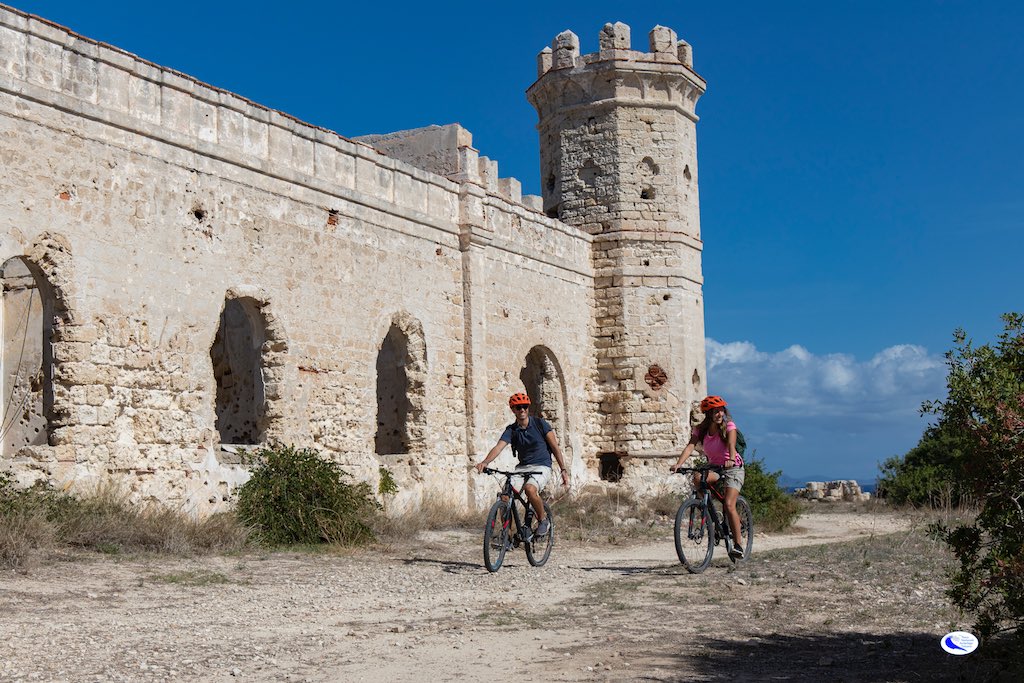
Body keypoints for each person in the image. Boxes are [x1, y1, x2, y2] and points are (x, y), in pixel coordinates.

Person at [475, 392, 570, 537]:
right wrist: (485, 462)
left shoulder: (540, 424)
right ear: (513, 410)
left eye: (525, 406)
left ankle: (543, 520)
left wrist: (563, 469)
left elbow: (555, 447)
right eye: (518, 407)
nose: (522, 410)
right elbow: (498, 447)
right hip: (522, 468)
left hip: (542, 466)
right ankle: (507, 536)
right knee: (505, 496)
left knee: (530, 489)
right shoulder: (512, 430)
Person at [671, 395, 746, 559]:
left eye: (721, 410)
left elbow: (731, 445)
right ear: (708, 414)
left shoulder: (729, 426)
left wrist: (731, 459)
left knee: (729, 504)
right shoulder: (701, 430)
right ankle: (705, 508)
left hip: (733, 467)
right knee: (698, 477)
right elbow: (690, 446)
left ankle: (738, 545)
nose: (720, 414)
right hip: (715, 466)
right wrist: (679, 464)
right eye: (715, 411)